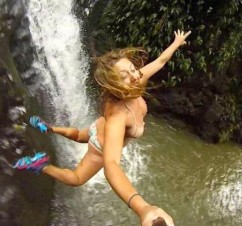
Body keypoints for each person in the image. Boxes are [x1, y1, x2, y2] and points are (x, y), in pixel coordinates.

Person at [14, 30, 191, 226]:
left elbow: (159, 62)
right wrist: (143, 208)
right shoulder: (117, 116)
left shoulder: (135, 81)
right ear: (114, 84)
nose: (134, 76)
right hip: (101, 144)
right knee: (75, 178)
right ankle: (41, 164)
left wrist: (176, 42)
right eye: (125, 76)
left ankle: (49, 128)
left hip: (97, 128)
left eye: (133, 69)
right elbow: (111, 166)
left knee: (81, 135)